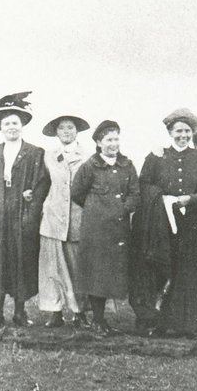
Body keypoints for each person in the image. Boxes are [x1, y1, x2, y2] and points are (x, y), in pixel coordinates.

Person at [129, 108, 197, 338]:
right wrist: (162, 199)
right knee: (159, 269)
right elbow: (143, 185)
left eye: (187, 131)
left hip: (190, 224)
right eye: (178, 131)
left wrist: (191, 199)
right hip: (160, 224)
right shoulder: (156, 157)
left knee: (186, 273)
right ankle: (154, 322)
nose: (183, 135)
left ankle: (186, 325)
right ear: (170, 132)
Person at [0, 92, 49, 326]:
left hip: (22, 211)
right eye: (7, 123)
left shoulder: (35, 152)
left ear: (22, 126)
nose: (11, 127)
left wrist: (31, 198)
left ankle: (20, 311)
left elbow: (42, 183)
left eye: (15, 123)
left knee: (21, 257)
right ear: (0, 127)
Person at [70, 120, 140, 336]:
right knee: (96, 273)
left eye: (116, 139)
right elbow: (77, 193)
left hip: (119, 229)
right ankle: (98, 320)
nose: (113, 144)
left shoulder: (127, 165)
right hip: (96, 230)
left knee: (114, 272)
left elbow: (135, 193)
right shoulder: (90, 166)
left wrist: (122, 208)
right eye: (109, 140)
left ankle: (109, 319)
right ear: (99, 143)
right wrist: (97, 209)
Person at [38, 114, 91, 328]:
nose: (66, 131)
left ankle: (80, 312)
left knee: (77, 266)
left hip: (78, 216)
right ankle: (55, 312)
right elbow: (43, 183)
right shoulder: (48, 156)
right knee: (52, 267)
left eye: (70, 127)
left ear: (77, 131)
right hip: (53, 217)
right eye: (61, 128)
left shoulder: (88, 156)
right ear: (56, 132)